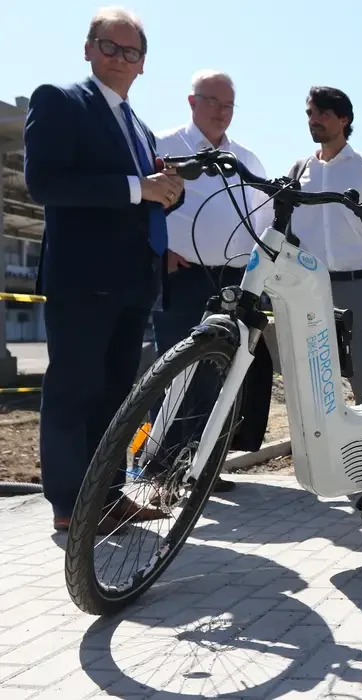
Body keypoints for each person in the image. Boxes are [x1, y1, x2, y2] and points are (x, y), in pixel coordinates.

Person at [24, 6, 181, 531]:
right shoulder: (61, 101)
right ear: (88, 49)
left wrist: (167, 191)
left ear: (143, 64)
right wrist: (140, 187)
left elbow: (144, 197)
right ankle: (69, 507)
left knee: (116, 393)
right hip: (83, 279)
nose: (119, 58)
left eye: (130, 51)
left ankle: (109, 497)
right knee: (74, 388)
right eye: (109, 47)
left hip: (134, 280)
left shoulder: (139, 126)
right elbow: (46, 184)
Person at [153, 69, 276, 493]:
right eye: (212, 102)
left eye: (228, 105)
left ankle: (201, 464)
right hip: (183, 274)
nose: (221, 112)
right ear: (192, 102)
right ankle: (161, 462)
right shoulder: (164, 146)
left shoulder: (247, 158)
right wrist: (157, 251)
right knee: (173, 368)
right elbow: (145, 205)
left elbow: (265, 217)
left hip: (233, 281)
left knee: (219, 373)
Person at [288, 86, 362, 494]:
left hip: (357, 285)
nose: (313, 120)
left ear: (344, 120)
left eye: (322, 113)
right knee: (310, 378)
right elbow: (283, 226)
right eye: (310, 113)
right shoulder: (299, 170)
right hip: (307, 288)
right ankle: (320, 468)